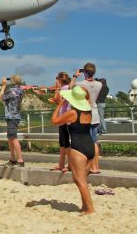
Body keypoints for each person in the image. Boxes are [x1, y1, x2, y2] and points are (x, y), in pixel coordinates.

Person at [51, 86, 95, 214]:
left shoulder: (73, 113)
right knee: (83, 179)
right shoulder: (88, 109)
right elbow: (86, 97)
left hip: (78, 148)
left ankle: (90, 209)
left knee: (78, 180)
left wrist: (59, 105)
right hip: (90, 146)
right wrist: (82, 90)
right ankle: (85, 206)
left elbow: (54, 121)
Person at [71, 63, 102, 174]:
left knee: (87, 141)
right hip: (95, 113)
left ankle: (89, 166)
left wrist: (75, 76)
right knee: (94, 141)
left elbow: (70, 87)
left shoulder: (80, 84)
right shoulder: (99, 84)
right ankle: (96, 166)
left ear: (84, 71)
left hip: (86, 114)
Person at [0, 75, 25, 167]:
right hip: (16, 116)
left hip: (11, 116)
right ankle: (12, 159)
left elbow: (1, 97)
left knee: (13, 138)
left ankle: (20, 160)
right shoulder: (21, 90)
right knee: (10, 138)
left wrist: (3, 86)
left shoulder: (12, 90)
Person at [50, 72, 72, 172]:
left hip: (63, 117)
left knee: (64, 142)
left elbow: (56, 99)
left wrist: (57, 89)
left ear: (59, 79)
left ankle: (69, 165)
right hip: (69, 116)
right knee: (63, 143)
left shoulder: (63, 89)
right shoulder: (71, 87)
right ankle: (62, 164)